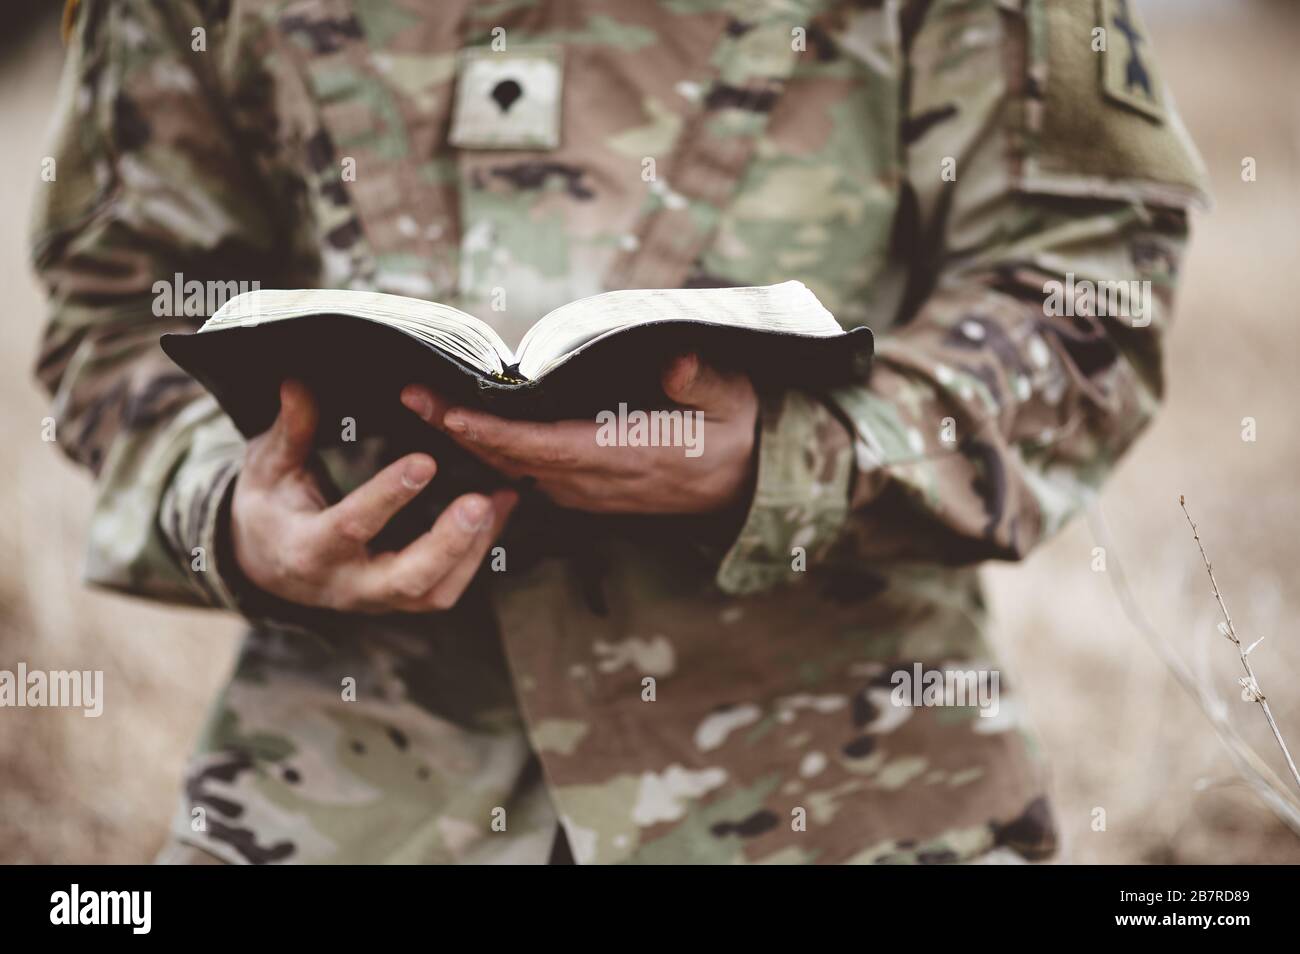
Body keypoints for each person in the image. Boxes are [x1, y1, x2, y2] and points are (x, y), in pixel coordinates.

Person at [32, 0, 1207, 864]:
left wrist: (800, 460)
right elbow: (121, 305)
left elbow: (1086, 280)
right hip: (335, 796)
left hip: (852, 792)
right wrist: (230, 512)